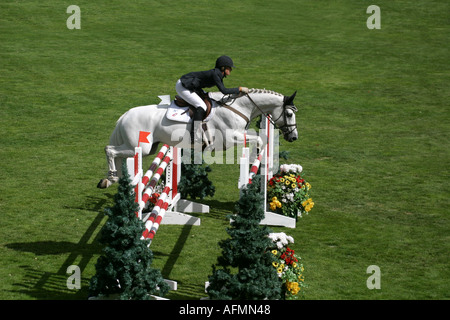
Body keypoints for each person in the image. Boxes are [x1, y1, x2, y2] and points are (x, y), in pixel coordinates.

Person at [175, 55, 249, 142]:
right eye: (229, 68)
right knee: (201, 106)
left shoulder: (218, 74)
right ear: (223, 68)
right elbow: (224, 90)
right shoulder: (215, 74)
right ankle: (192, 135)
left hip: (193, 86)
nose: (231, 70)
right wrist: (239, 89)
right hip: (183, 86)